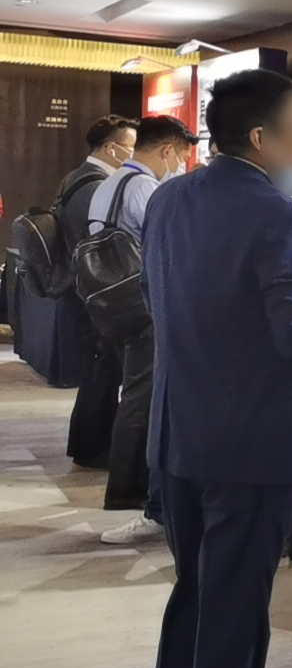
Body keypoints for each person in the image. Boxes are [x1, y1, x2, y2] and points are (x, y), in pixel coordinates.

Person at [141, 69, 292, 668]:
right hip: (255, 447)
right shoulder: (282, 217)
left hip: (179, 434)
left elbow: (157, 301)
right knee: (235, 610)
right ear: (263, 138)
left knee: (196, 594)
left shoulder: (169, 200)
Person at [88, 116, 197, 542]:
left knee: (133, 394)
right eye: (182, 155)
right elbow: (168, 247)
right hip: (141, 306)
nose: (182, 165)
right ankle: (129, 491)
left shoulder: (111, 182)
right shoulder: (145, 188)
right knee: (144, 397)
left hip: (111, 302)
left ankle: (126, 487)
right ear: (168, 150)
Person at [60, 115, 138, 468]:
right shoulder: (96, 187)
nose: (134, 154)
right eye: (131, 147)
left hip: (84, 292)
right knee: (102, 372)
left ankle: (90, 446)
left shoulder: (76, 178)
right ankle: (92, 449)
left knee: (101, 371)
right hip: (95, 296)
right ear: (111, 147)